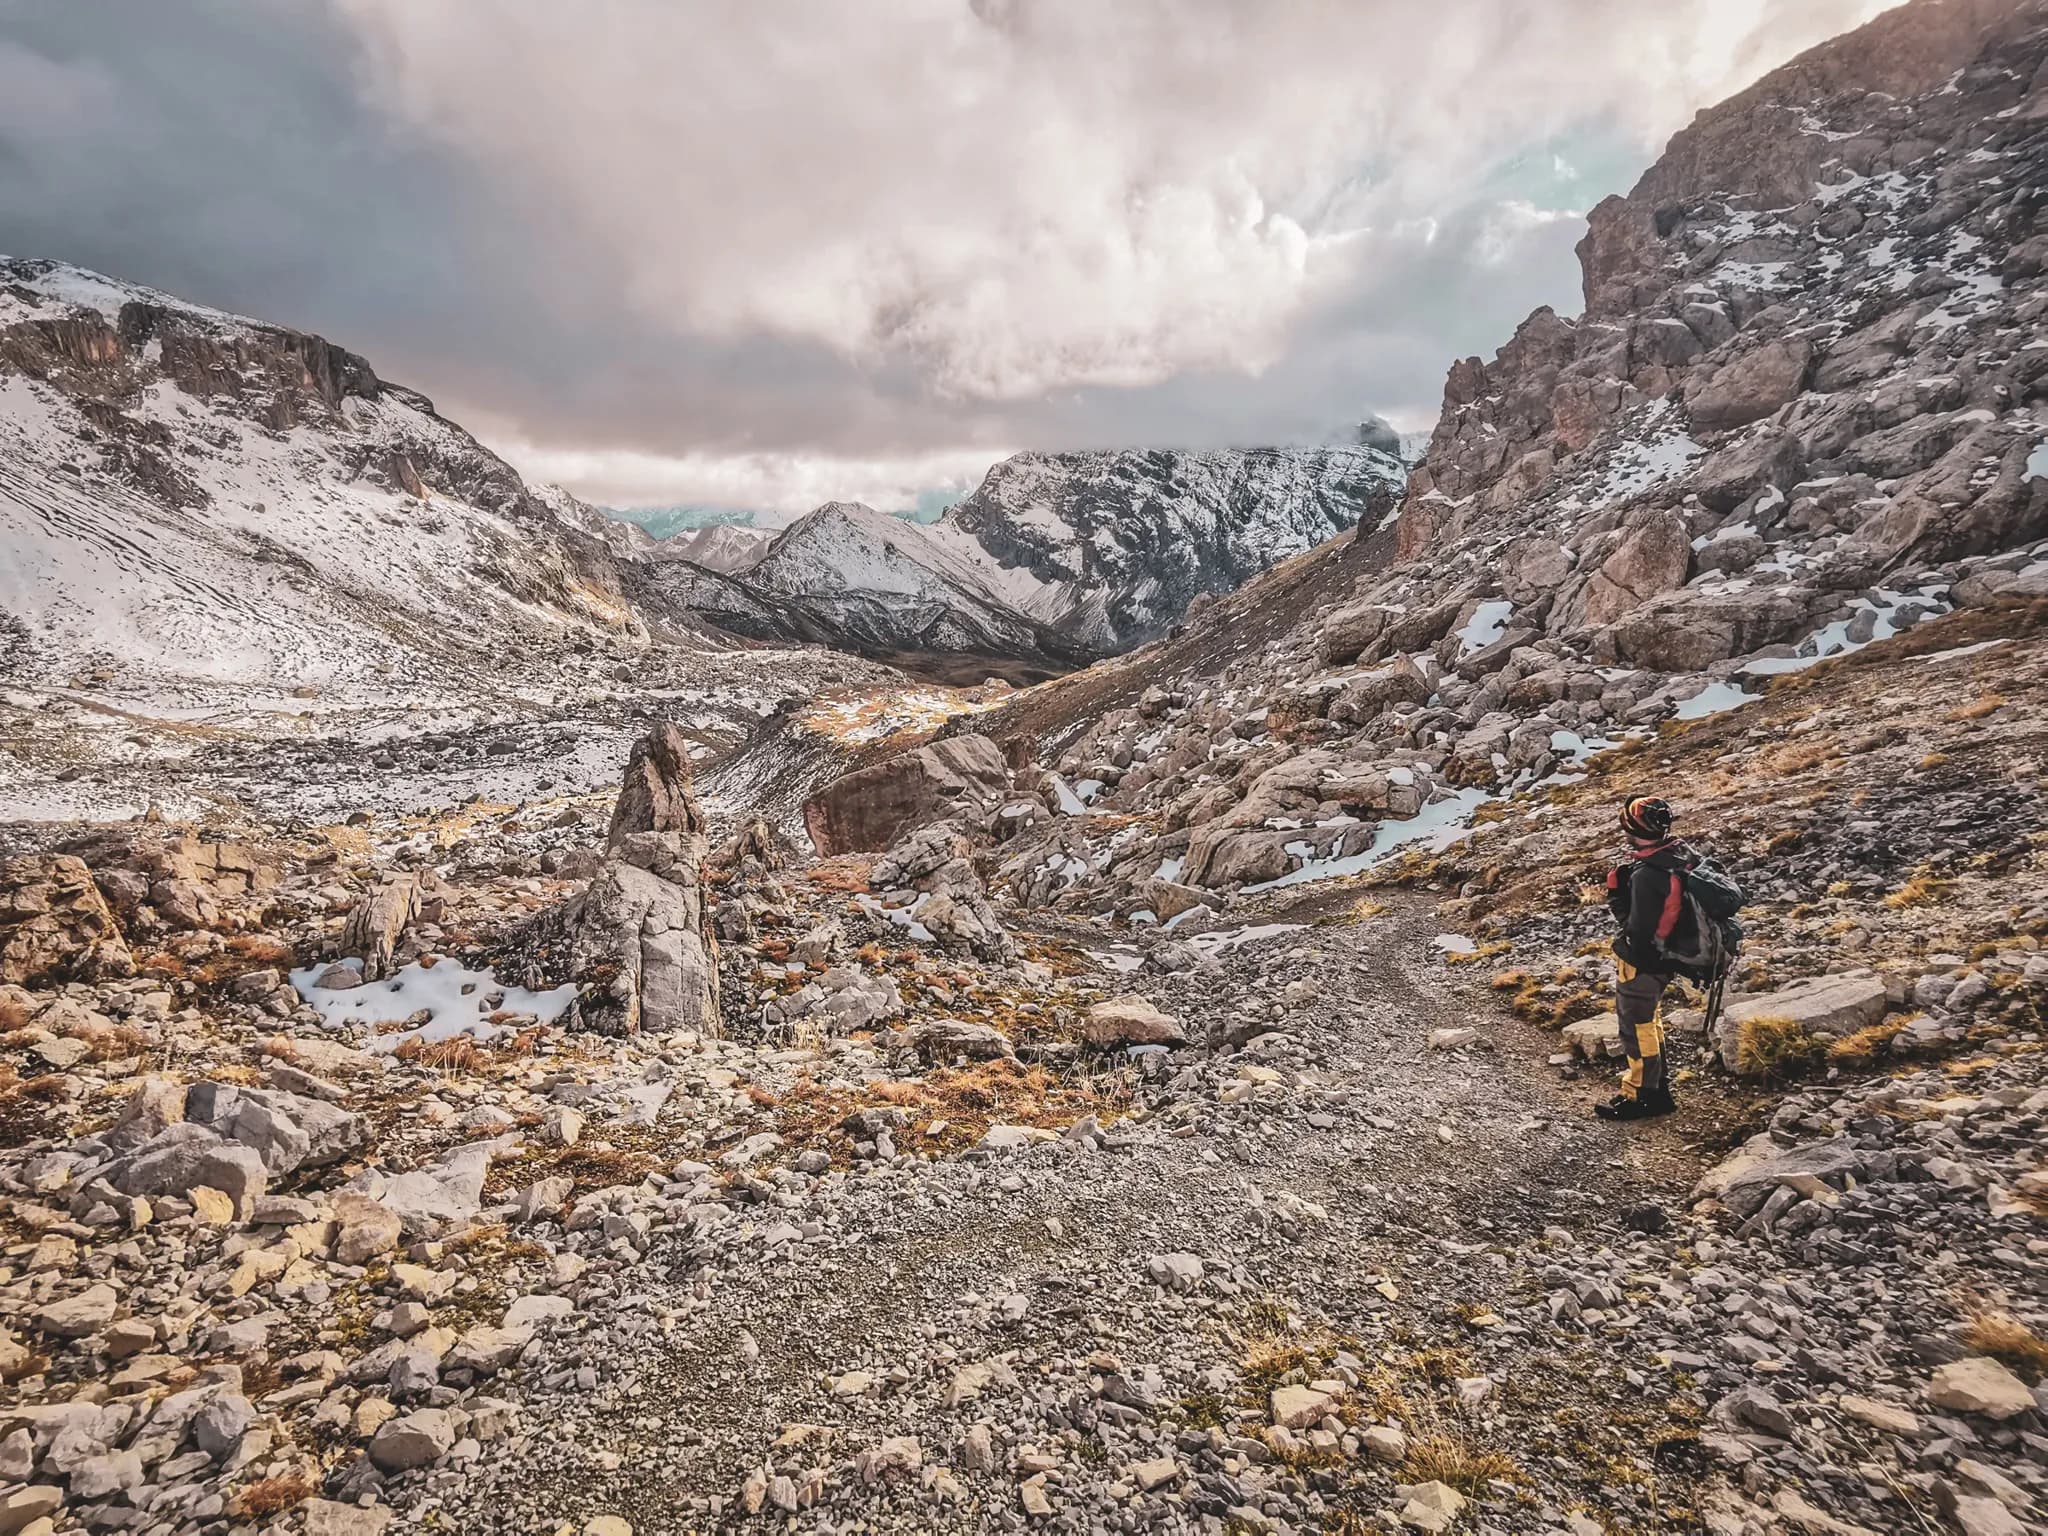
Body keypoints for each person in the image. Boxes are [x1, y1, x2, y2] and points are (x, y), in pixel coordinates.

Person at [1596, 794, 1696, 1121]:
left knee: (1636, 1026)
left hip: (1644, 960)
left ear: (1629, 827)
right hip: (1670, 957)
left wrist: (1616, 898)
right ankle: (1658, 1089)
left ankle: (1640, 1096)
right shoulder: (1679, 853)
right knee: (1649, 1021)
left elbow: (1637, 931)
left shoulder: (1646, 875)